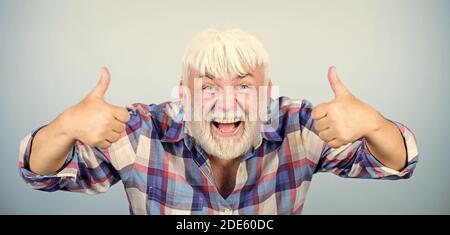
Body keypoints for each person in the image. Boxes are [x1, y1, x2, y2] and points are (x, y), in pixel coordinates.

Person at [18, 28, 418, 214]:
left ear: (267, 92)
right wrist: (65, 126)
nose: (226, 104)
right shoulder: (140, 132)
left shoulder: (300, 127)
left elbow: (398, 166)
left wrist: (373, 125)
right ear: (183, 92)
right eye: (208, 87)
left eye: (244, 86)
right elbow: (41, 175)